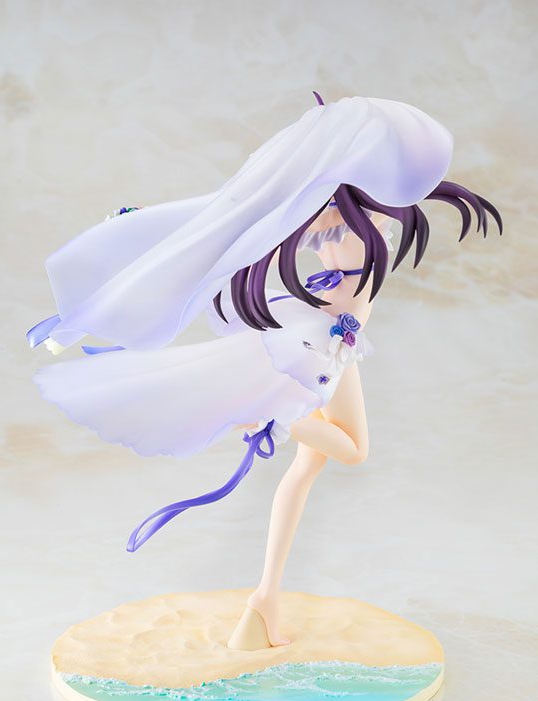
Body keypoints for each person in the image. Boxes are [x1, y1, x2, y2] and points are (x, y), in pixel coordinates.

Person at [27, 93, 502, 650]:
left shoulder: (346, 213)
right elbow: (251, 230)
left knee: (304, 471)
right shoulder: (343, 218)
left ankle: (265, 599)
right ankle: (268, 418)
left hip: (330, 339)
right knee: (351, 449)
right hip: (323, 346)